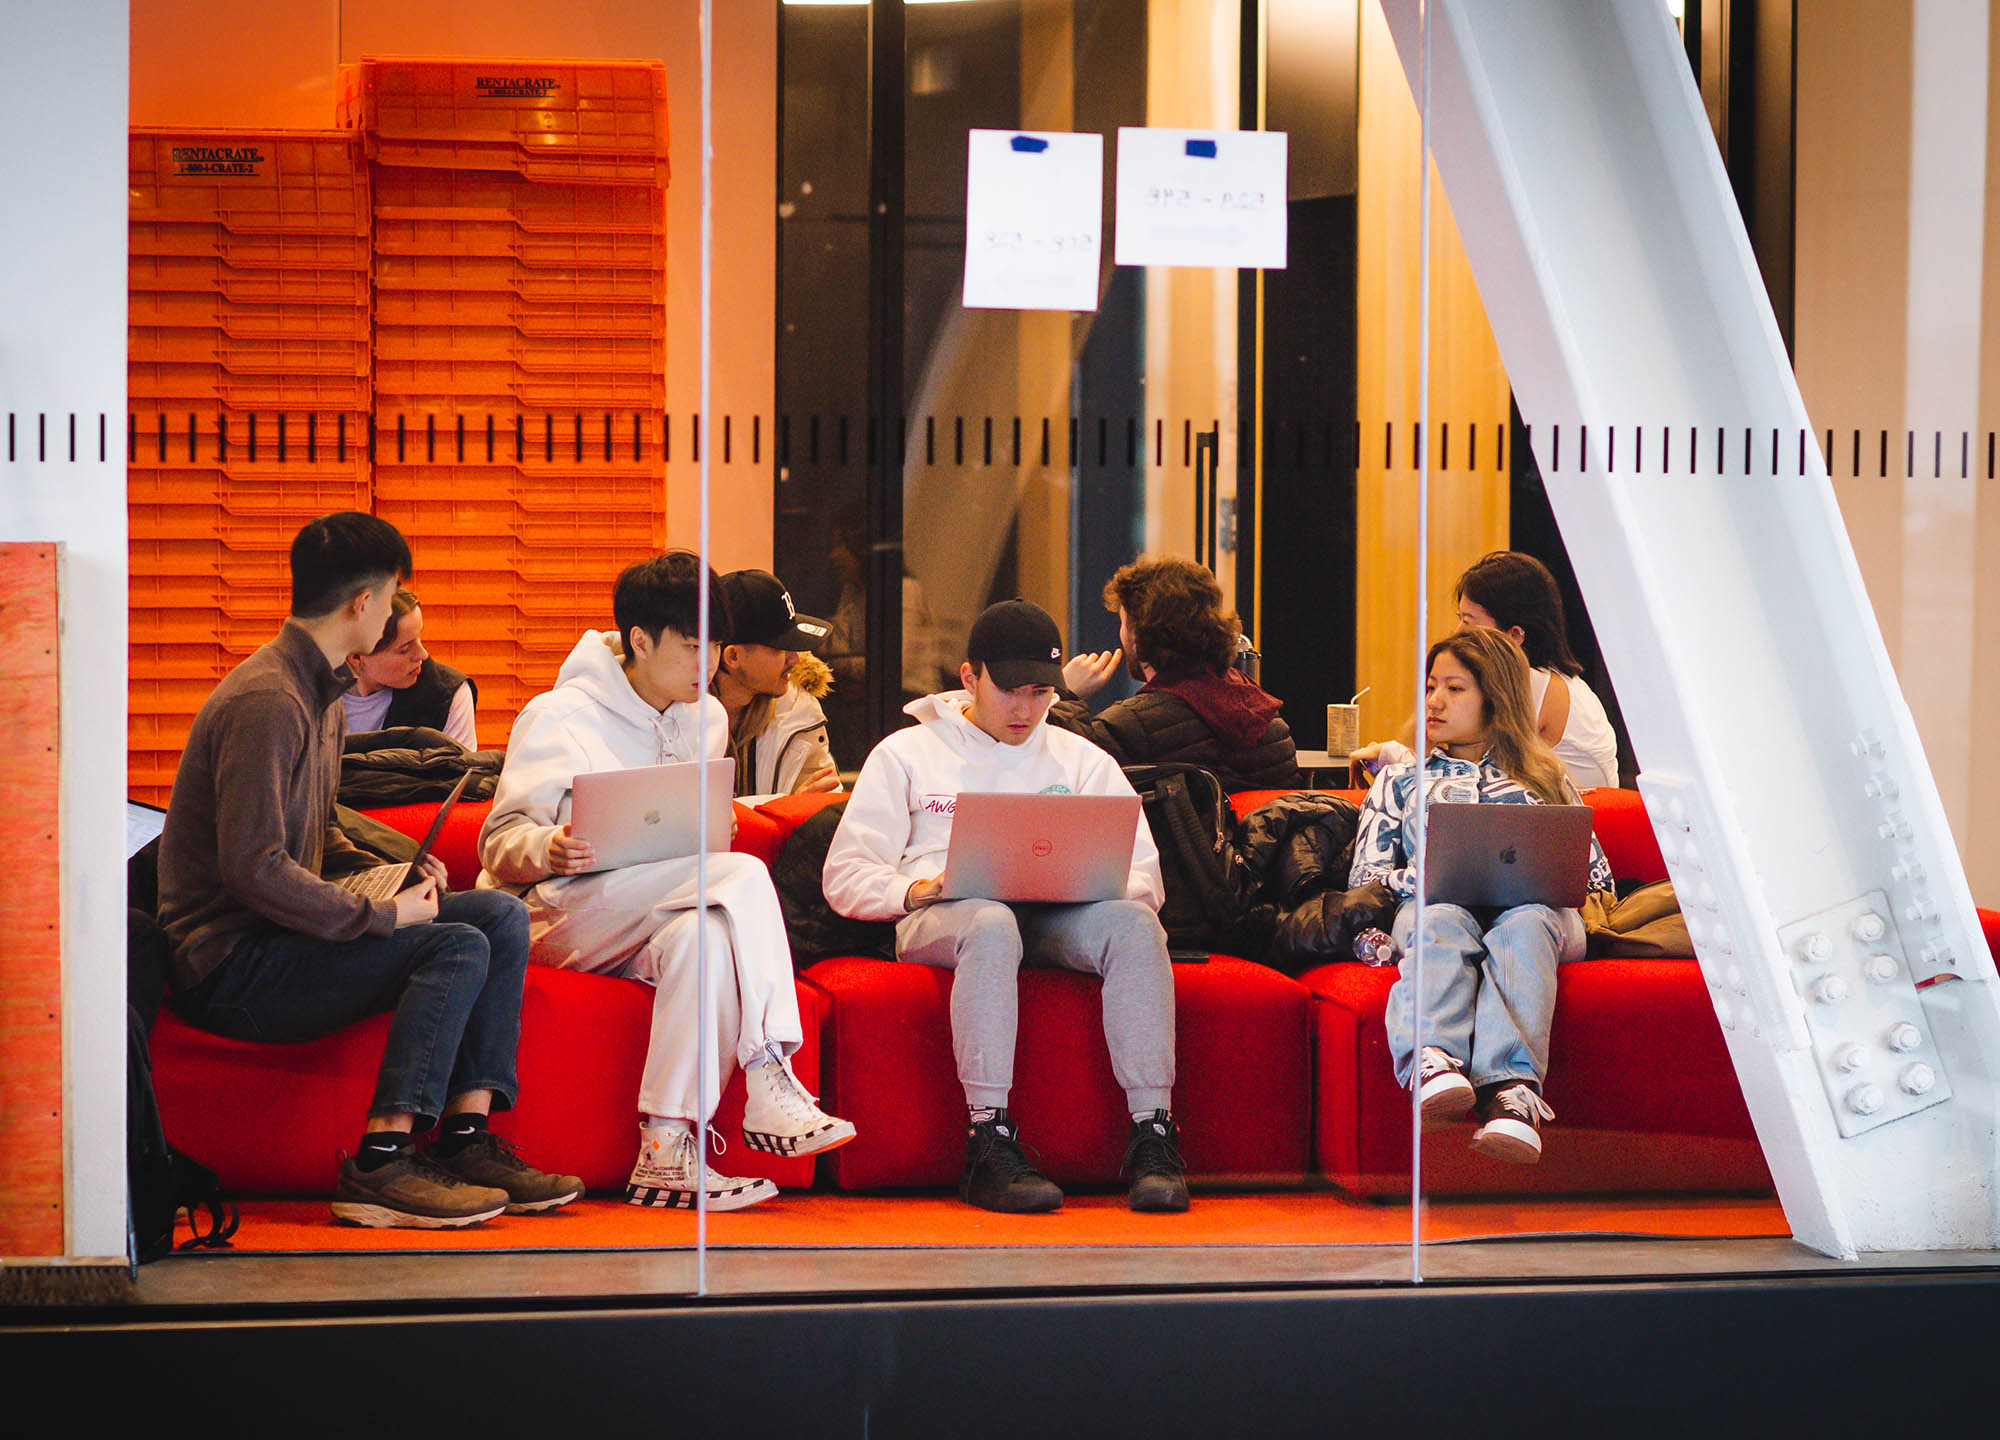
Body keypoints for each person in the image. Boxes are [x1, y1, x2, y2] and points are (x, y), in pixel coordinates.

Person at [157, 512, 581, 1229]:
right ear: (363, 604)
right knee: (453, 942)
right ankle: (382, 1161)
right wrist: (385, 916)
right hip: (230, 964)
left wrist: (396, 873)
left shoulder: (313, 691)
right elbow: (253, 868)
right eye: (390, 601)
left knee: (499, 917)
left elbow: (315, 833)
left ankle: (467, 1137)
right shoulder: (269, 699)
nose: (388, 615)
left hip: (277, 936)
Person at [477, 550, 855, 1212]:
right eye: (690, 646)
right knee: (734, 875)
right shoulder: (558, 716)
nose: (705, 663)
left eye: (714, 645)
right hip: (557, 913)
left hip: (654, 908)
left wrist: (713, 828)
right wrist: (548, 846)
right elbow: (498, 844)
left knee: (705, 936)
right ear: (640, 641)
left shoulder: (705, 718)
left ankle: (665, 1153)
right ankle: (770, 1071)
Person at [822, 598, 1189, 1215]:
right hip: (947, 917)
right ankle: (986, 1137)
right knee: (991, 921)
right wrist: (918, 889)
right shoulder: (906, 753)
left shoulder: (1083, 761)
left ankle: (1154, 1133)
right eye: (1010, 691)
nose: (1026, 709)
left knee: (1135, 923)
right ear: (970, 678)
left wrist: (1083, 880)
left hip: (1058, 917)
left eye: (1042, 692)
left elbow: (1145, 877)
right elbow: (845, 878)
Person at [1348, 627, 1614, 1164]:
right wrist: (1432, 873)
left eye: (1455, 688)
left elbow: (1597, 879)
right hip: (1434, 908)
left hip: (1539, 917)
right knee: (1442, 914)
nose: (1435, 701)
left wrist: (1551, 876)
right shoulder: (1400, 780)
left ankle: (1512, 1096)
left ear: (1495, 700)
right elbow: (1365, 880)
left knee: (1526, 921)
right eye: (1430, 687)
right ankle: (1434, 1063)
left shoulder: (1545, 777)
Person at [1355, 550, 1619, 790]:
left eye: (1468, 622)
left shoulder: (1530, 682)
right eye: (1432, 687)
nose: (1458, 634)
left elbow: (1469, 776)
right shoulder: (1553, 678)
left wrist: (1389, 755)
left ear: (1514, 635)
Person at [1050, 555, 1298, 792]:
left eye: (1124, 623)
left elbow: (1058, 769)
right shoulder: (1269, 719)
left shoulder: (1134, 726)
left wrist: (1063, 692)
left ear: (1139, 634)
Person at [711, 568, 841, 800]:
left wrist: (798, 812)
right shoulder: (672, 716)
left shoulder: (800, 710)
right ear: (733, 657)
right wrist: (781, 809)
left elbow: (825, 804)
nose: (795, 659)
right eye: (779, 648)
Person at [342, 586, 480, 750]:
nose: (423, 654)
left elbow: (460, 774)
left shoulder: (448, 696)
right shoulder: (310, 697)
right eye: (405, 649)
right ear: (356, 657)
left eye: (419, 637)